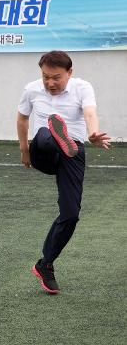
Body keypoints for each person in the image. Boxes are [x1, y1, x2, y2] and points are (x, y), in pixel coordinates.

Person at [17, 50, 110, 295]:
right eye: (46, 76)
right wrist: (24, 149)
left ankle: (45, 264)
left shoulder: (82, 87)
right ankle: (58, 135)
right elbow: (22, 118)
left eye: (56, 77)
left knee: (70, 214)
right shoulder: (32, 89)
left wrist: (93, 133)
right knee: (46, 135)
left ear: (70, 73)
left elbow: (90, 112)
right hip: (43, 151)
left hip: (73, 152)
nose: (50, 83)